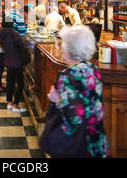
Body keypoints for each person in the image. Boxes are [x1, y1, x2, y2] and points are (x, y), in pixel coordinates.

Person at [46, 25, 108, 158]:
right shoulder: (93, 70)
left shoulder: (68, 77)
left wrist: (57, 99)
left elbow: (75, 118)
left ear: (67, 50)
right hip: (96, 140)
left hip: (76, 147)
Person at [0, 17, 27, 113]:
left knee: (10, 82)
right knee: (20, 84)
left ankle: (9, 102)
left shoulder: (1, 34)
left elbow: (2, 45)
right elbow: (20, 45)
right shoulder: (13, 33)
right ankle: (16, 105)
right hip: (16, 61)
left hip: (8, 60)